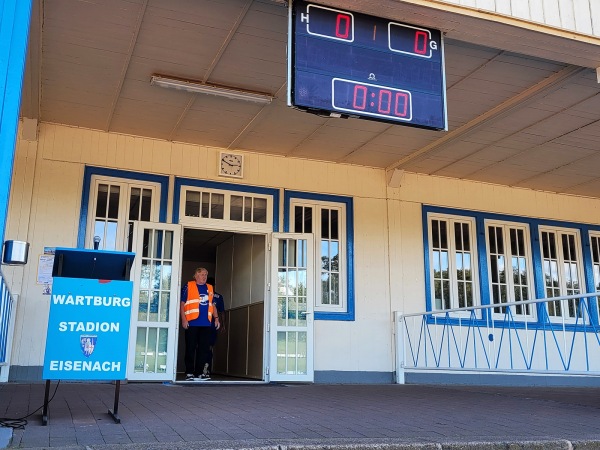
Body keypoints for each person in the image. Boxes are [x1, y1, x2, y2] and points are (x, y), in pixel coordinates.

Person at [180, 267, 220, 381]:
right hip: (192, 322)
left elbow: (213, 305)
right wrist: (184, 319)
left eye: (206, 275)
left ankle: (199, 373)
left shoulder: (210, 287)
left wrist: (216, 319)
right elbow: (182, 304)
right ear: (196, 275)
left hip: (206, 323)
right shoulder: (189, 286)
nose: (204, 277)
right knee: (190, 348)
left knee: (203, 349)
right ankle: (189, 373)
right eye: (202, 274)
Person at [206, 277, 225, 378]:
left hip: (212, 325)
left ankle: (206, 369)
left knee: (208, 347)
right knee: (203, 347)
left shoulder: (218, 297)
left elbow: (221, 311)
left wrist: (223, 324)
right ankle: (202, 369)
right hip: (203, 325)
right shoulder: (202, 295)